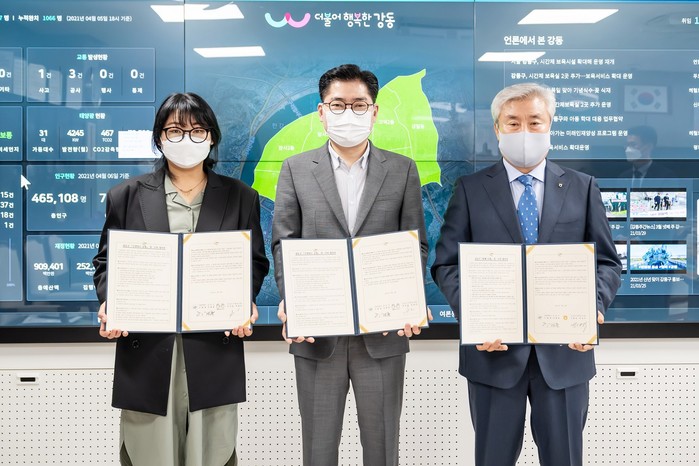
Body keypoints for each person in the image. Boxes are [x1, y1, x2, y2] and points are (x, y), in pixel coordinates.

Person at [431, 83, 621, 466]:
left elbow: (607, 263)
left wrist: (593, 307)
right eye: (513, 123)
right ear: (497, 129)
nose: (524, 132)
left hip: (565, 355)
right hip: (493, 355)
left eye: (534, 122)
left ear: (550, 125)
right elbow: (446, 264)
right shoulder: (470, 189)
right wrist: (476, 318)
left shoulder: (582, 187)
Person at [92, 92, 269, 466]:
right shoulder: (125, 196)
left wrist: (244, 302)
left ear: (211, 137)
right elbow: (106, 262)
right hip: (147, 348)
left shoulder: (241, 197)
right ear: (159, 137)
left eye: (197, 130)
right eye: (175, 130)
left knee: (212, 454)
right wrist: (111, 303)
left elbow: (254, 262)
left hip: (213, 347)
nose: (186, 139)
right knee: (149, 455)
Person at [271, 64, 429, 466]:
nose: (348, 113)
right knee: (318, 452)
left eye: (359, 105)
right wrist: (294, 302)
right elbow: (284, 244)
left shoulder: (402, 170)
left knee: (382, 450)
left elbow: (415, 245)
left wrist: (409, 299)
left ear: (374, 112)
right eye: (338, 104)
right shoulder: (295, 169)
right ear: (321, 112)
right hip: (317, 335)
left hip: (382, 335)